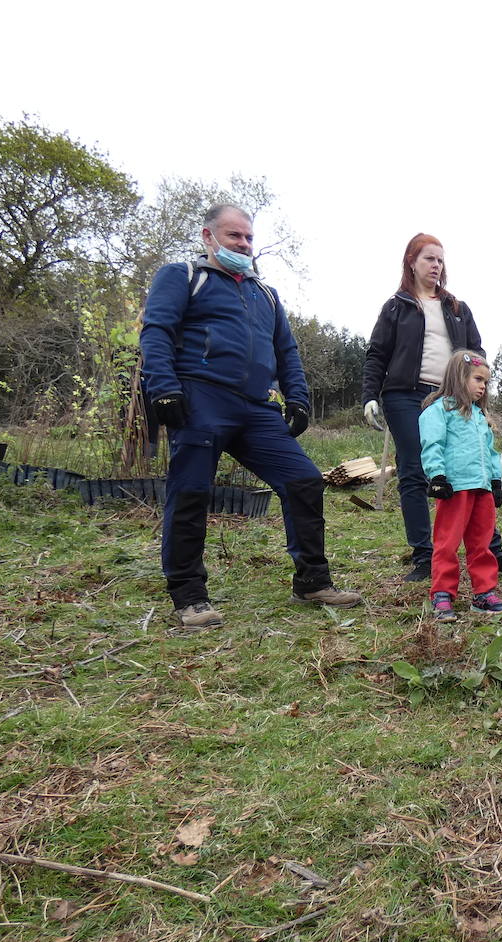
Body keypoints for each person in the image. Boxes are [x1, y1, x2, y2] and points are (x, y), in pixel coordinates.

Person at [140, 204, 360, 628]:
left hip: (256, 407)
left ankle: (312, 581)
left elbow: (287, 351)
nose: (243, 244)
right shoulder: (182, 276)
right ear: (208, 236)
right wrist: (163, 388)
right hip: (200, 397)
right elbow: (157, 331)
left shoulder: (266, 294)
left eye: (248, 238)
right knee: (191, 492)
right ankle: (189, 596)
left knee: (303, 479)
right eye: (233, 236)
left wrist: (298, 399)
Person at [362, 234, 502, 581]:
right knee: (415, 467)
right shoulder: (396, 307)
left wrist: (480, 394)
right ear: (411, 262)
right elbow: (377, 353)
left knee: (473, 465)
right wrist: (370, 395)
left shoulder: (457, 308)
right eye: (429, 259)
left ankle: (492, 552)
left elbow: (475, 352)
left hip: (453, 394)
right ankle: (425, 557)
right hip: (406, 395)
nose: (436, 265)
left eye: (440, 260)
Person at [418, 350, 502, 620]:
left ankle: (484, 592)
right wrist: (437, 476)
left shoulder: (480, 417)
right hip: (454, 488)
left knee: (482, 542)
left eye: (486, 382)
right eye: (478, 379)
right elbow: (432, 444)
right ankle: (443, 593)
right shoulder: (439, 412)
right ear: (459, 378)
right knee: (447, 542)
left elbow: (491, 452)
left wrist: (495, 481)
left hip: (481, 488)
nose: (483, 386)